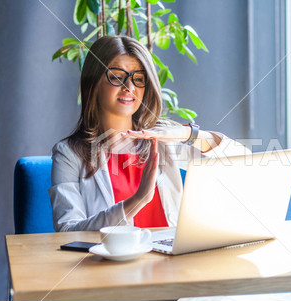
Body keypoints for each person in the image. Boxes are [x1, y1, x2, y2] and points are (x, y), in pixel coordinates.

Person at [49, 35, 249, 232]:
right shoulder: (69, 154)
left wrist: (187, 134)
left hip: (171, 261)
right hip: (111, 264)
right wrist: (137, 200)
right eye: (117, 77)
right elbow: (68, 231)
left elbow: (244, 161)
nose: (129, 88)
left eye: (138, 79)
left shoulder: (164, 139)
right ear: (92, 84)